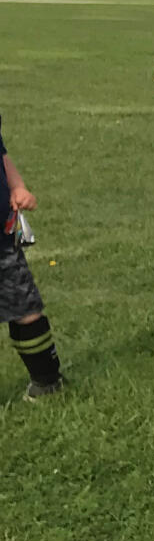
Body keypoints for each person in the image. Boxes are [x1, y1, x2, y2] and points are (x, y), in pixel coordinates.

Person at [1, 113, 63, 397]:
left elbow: (1, 152)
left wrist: (17, 186)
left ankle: (47, 381)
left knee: (25, 308)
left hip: (2, 239)